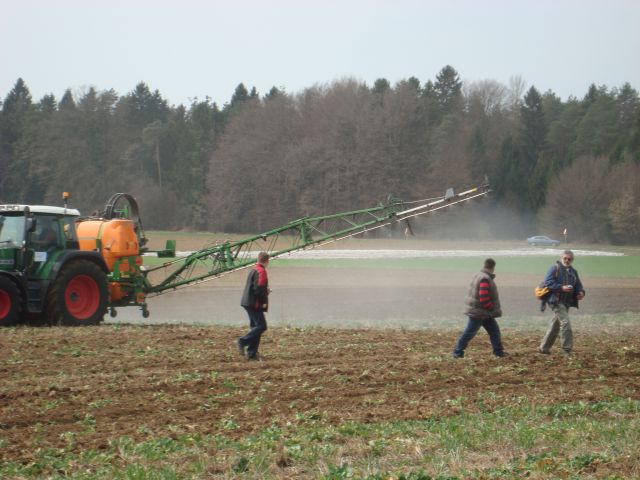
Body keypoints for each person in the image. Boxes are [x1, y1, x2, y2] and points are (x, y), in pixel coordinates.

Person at [453, 258, 505, 358]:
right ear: (493, 267)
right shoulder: (485, 279)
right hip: (479, 313)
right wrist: (490, 307)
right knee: (469, 333)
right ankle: (457, 352)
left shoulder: (478, 275)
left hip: (483, 312)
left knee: (494, 331)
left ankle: (498, 353)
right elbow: (484, 297)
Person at [539, 250, 585, 356]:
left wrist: (581, 292)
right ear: (561, 258)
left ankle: (544, 348)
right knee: (566, 323)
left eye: (569, 259)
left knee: (555, 325)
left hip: (566, 303)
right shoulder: (554, 268)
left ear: (572, 260)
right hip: (556, 301)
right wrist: (561, 288)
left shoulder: (574, 272)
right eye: (565, 258)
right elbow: (548, 282)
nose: (567, 260)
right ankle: (566, 350)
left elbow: (578, 285)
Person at [237, 251, 270, 360]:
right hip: (254, 303)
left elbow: (256, 286)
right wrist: (264, 297)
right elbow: (259, 288)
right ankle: (242, 341)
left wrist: (264, 290)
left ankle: (251, 354)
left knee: (256, 327)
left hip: (247, 302)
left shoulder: (254, 269)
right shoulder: (261, 271)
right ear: (267, 261)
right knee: (261, 326)